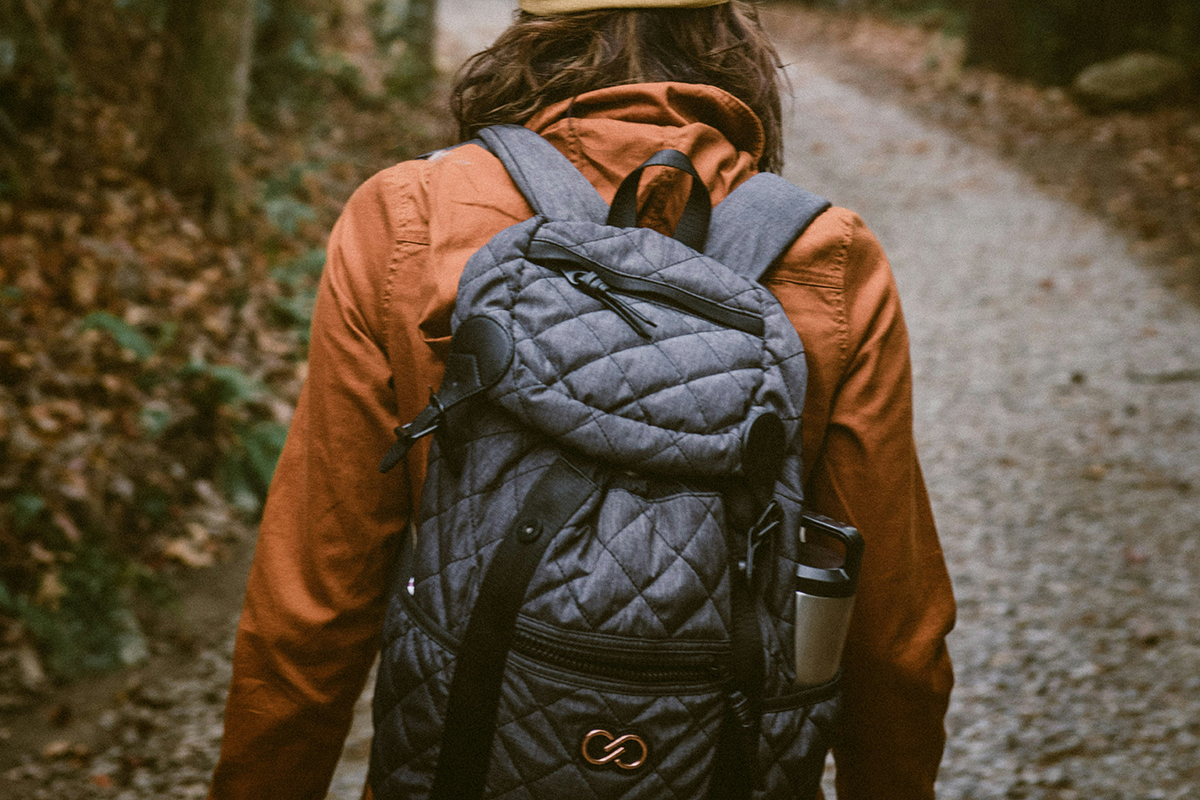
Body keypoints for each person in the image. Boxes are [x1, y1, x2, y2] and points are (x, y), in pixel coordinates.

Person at [207, 1, 956, 798]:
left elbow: (311, 609)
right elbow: (894, 642)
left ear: (533, 30)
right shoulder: (830, 258)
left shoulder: (409, 216)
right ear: (730, 36)